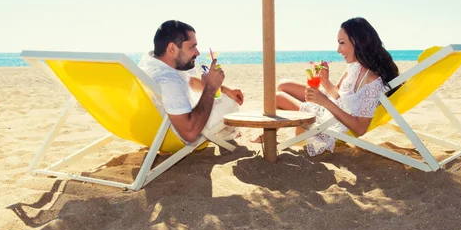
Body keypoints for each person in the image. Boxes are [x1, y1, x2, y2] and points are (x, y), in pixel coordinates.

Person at [254, 17, 399, 156]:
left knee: (277, 98)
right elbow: (339, 95)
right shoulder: (355, 66)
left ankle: (268, 134)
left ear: (357, 42)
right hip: (331, 108)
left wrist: (324, 101)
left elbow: (360, 128)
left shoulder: (372, 81)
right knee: (284, 85)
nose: (338, 50)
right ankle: (271, 131)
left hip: (329, 123)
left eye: (342, 43)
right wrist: (325, 82)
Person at [138, 20, 244, 145]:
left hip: (153, 130)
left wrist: (224, 89)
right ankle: (227, 134)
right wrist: (210, 88)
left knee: (226, 95)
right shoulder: (168, 80)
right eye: (192, 47)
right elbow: (190, 134)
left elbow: (191, 82)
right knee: (231, 102)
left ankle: (227, 132)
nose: (197, 52)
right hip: (183, 130)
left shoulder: (151, 64)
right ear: (172, 48)